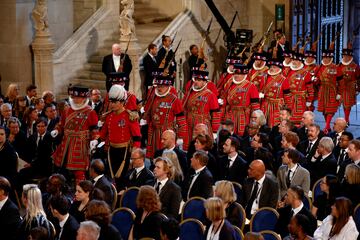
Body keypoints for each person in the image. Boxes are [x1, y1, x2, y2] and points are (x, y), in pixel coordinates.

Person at [96, 84, 141, 185]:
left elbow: (137, 137)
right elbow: (103, 134)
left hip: (125, 152)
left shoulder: (130, 116)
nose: (111, 105)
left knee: (122, 179)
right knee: (111, 179)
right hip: (111, 151)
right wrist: (96, 141)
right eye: (110, 102)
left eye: (114, 102)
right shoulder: (109, 116)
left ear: (122, 102)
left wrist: (134, 153)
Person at [52, 85, 98, 183]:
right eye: (75, 97)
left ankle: (80, 193)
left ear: (84, 98)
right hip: (66, 144)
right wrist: (57, 130)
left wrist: (94, 139)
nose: (76, 100)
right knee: (62, 169)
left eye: (79, 98)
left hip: (80, 145)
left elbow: (94, 129)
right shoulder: (67, 110)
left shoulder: (90, 112)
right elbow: (61, 124)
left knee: (79, 172)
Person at [143, 72, 188, 159]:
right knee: (153, 157)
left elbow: (181, 120)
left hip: (167, 132)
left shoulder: (174, 100)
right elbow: (147, 112)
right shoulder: (152, 97)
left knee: (167, 158)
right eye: (158, 86)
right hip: (153, 132)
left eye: (162, 86)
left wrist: (181, 137)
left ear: (168, 86)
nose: (160, 88)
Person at [182, 68, 220, 141]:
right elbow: (183, 108)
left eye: (199, 80)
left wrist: (215, 130)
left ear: (204, 82)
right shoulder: (189, 93)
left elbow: (216, 113)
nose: (196, 82)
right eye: (195, 80)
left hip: (203, 125)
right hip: (189, 125)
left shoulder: (210, 95)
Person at [222, 63, 260, 136]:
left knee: (242, 135)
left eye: (239, 74)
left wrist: (254, 120)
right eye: (235, 73)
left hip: (244, 115)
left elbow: (255, 106)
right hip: (231, 114)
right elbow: (225, 100)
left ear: (244, 75)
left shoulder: (251, 86)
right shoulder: (229, 84)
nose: (236, 75)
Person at [260, 58, 291, 128]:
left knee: (275, 123)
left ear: (279, 68)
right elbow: (261, 90)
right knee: (263, 122)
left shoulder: (284, 80)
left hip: (277, 105)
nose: (271, 68)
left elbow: (287, 95)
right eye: (271, 67)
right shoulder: (265, 77)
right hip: (265, 103)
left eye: (274, 67)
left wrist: (288, 107)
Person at [315, 47, 340, 133]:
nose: (325, 59)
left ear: (330, 58)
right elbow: (317, 80)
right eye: (324, 57)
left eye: (327, 58)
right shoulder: (319, 67)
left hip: (332, 90)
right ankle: (328, 126)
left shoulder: (335, 67)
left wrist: (339, 92)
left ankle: (327, 126)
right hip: (322, 90)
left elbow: (340, 80)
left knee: (330, 109)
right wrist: (315, 80)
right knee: (324, 110)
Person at [286, 52, 314, 126]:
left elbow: (310, 88)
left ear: (301, 61)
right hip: (290, 98)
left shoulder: (306, 73)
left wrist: (310, 100)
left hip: (301, 100)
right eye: (294, 60)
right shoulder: (288, 71)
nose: (294, 62)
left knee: (300, 118)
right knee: (289, 118)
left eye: (297, 60)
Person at [337, 47, 360, 125]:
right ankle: (345, 119)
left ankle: (346, 119)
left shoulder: (355, 66)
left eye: (347, 56)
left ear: (351, 57)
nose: (346, 58)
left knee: (348, 104)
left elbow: (359, 78)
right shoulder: (339, 66)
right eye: (344, 56)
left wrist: (358, 89)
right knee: (343, 103)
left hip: (350, 88)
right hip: (341, 87)